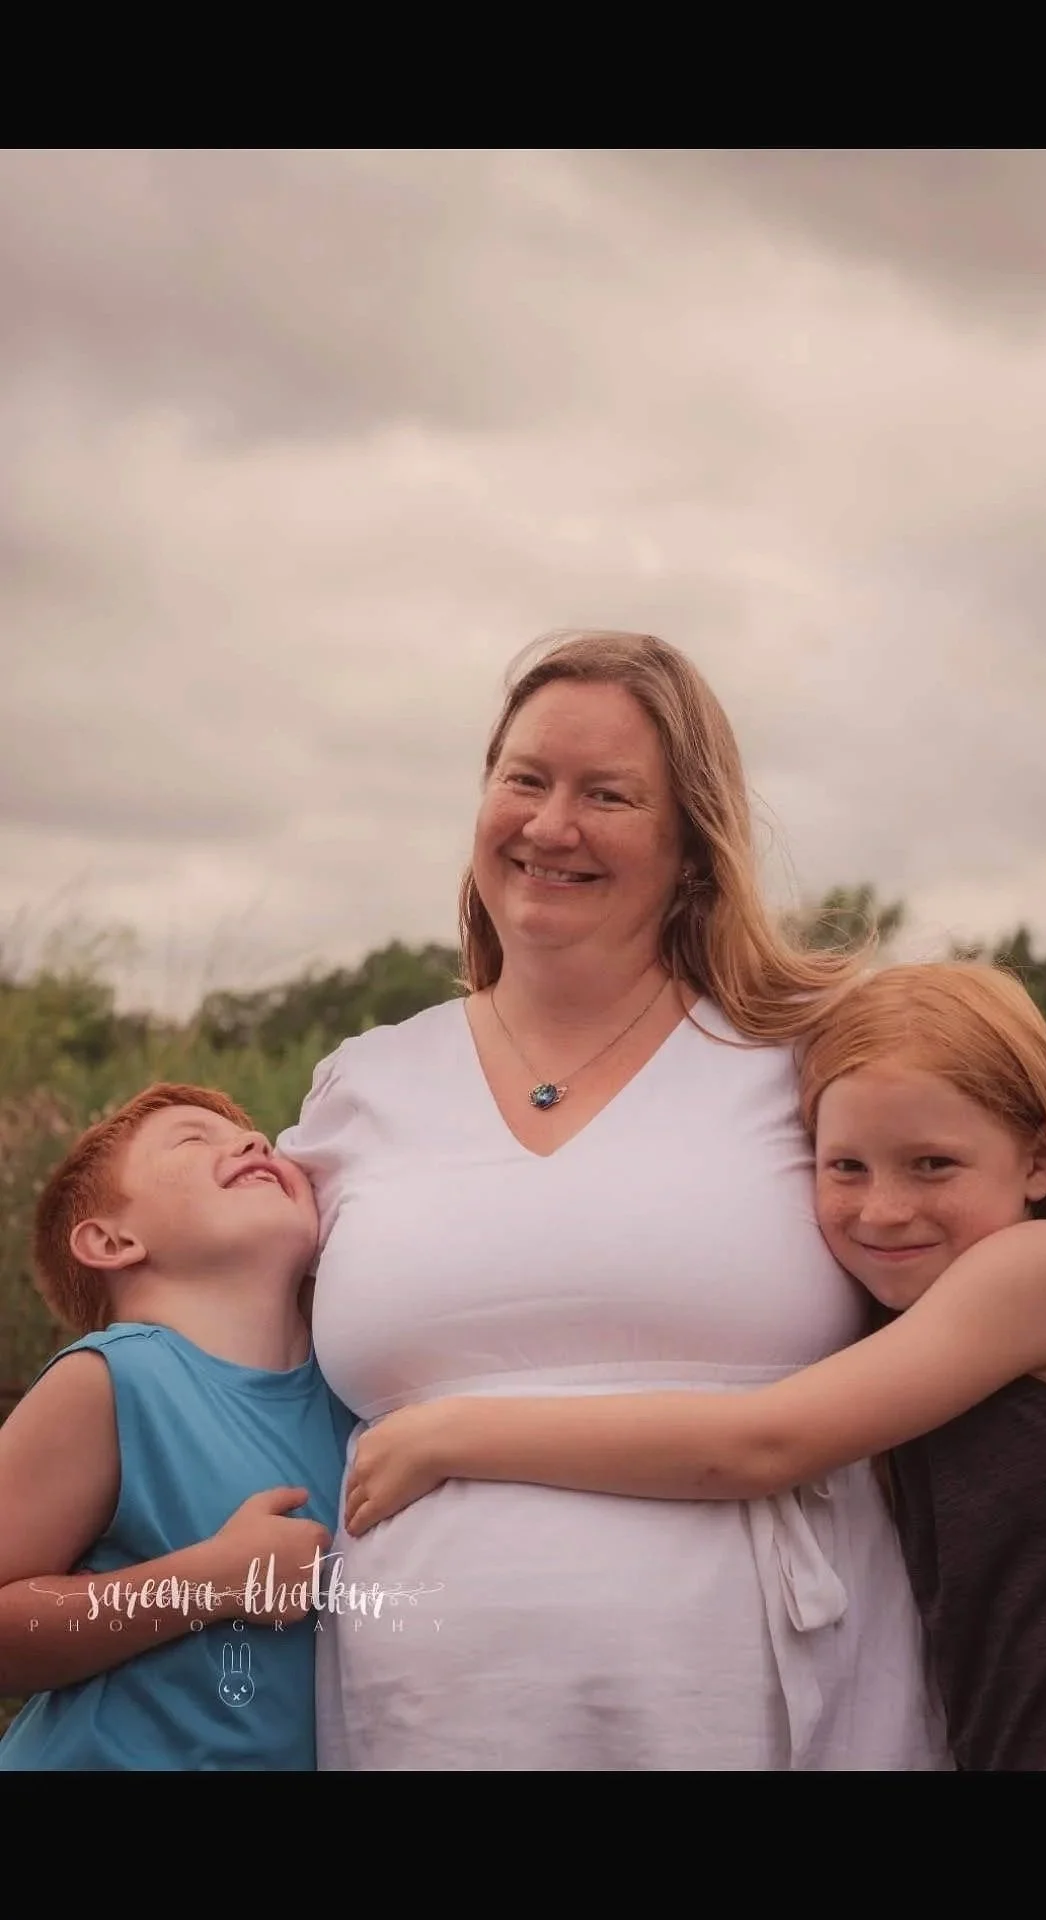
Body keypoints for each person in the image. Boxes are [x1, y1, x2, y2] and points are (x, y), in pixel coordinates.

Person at [280, 628, 949, 1772]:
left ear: (693, 843)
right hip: (427, 1726)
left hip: (771, 1717)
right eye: (524, 780)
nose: (551, 826)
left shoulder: (811, 1066)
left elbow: (981, 1290)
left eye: (609, 795)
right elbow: (219, 1358)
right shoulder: (364, 1083)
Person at [342, 961, 1046, 1772]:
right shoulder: (912, 1324)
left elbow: (763, 1445)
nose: (883, 1209)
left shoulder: (1042, 1274)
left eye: (932, 1164)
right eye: (846, 1167)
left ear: (1040, 1162)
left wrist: (451, 1435)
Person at [0, 1084, 352, 1772]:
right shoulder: (110, 1381)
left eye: (257, 1139)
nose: (253, 1143)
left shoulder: (359, 1395)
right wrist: (212, 1580)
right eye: (195, 1140)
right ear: (111, 1239)